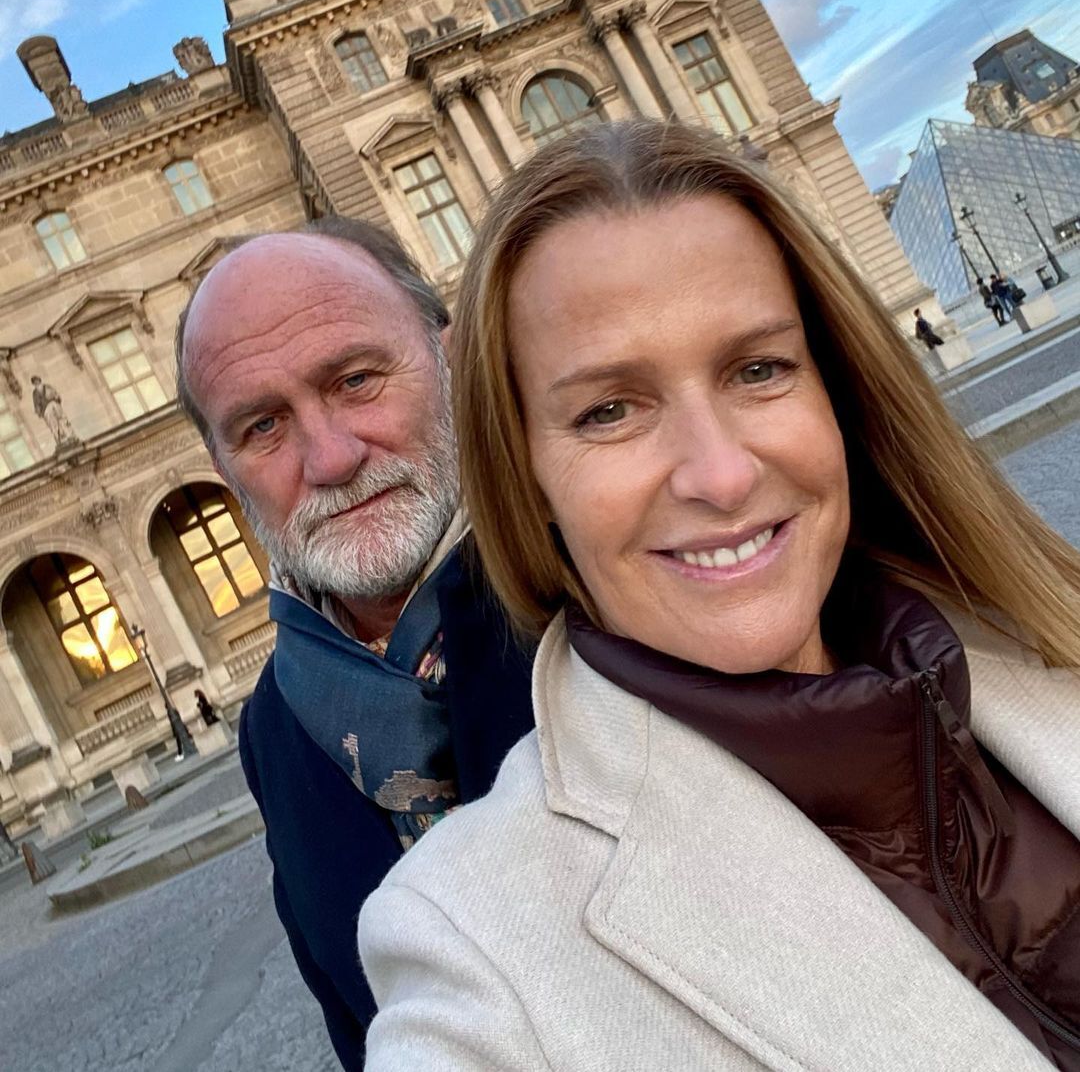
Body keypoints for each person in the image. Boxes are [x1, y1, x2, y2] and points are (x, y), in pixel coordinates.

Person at [358, 122, 1080, 1070]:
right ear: (525, 477)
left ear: (839, 388)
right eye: (608, 411)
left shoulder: (1046, 637)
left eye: (759, 369)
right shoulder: (469, 943)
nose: (722, 474)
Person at [174, 217, 533, 1069]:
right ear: (224, 470)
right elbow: (356, 1024)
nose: (330, 458)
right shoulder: (275, 728)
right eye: (262, 426)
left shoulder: (599, 576)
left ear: (447, 355)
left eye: (357, 380)